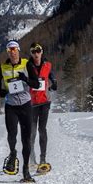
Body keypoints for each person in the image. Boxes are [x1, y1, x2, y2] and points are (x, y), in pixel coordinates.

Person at [0, 40, 40, 182]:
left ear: (18, 50)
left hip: (25, 105)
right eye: (9, 50)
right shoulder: (3, 66)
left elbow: (36, 83)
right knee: (11, 134)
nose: (12, 52)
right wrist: (1, 91)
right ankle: (13, 154)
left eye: (14, 49)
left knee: (26, 139)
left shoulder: (27, 64)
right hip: (11, 105)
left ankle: (26, 170)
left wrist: (25, 79)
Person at [28, 42, 57, 174]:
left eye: (38, 51)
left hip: (45, 102)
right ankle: (31, 159)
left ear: (42, 52)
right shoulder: (28, 66)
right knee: (32, 131)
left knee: (42, 129)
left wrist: (54, 83)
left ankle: (43, 160)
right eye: (33, 52)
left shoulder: (48, 65)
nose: (36, 54)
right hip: (32, 103)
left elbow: (51, 76)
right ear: (31, 53)